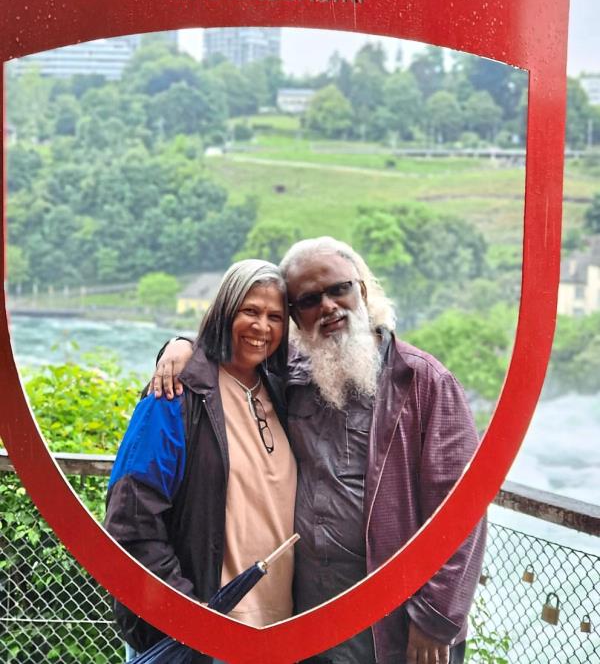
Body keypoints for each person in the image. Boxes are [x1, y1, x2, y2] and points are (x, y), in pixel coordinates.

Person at [156, 238, 486, 664]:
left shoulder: (425, 383)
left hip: (396, 625)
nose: (328, 306)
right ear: (295, 317)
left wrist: (437, 617)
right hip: (308, 623)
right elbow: (238, 348)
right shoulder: (291, 379)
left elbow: (463, 507)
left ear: (362, 290)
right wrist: (182, 345)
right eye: (309, 300)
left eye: (338, 289)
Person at [105, 260, 297, 663]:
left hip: (277, 635)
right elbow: (131, 518)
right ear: (225, 310)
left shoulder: (284, 396)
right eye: (250, 311)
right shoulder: (177, 392)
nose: (262, 327)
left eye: (275, 316)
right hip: (200, 635)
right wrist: (190, 616)